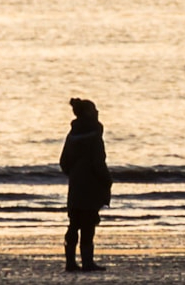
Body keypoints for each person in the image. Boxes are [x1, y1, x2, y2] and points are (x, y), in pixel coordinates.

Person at [59, 97, 112, 272]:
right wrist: (106, 179)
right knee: (88, 224)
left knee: (74, 223)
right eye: (94, 109)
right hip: (91, 184)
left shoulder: (72, 135)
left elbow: (64, 162)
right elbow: (98, 161)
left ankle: (70, 262)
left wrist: (74, 174)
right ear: (89, 113)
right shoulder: (94, 135)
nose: (97, 112)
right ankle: (87, 262)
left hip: (75, 184)